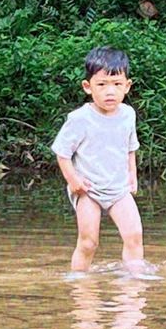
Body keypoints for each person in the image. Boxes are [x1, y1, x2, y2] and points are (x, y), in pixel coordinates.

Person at [51, 46, 143, 271]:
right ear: (88, 87)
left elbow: (130, 148)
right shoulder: (80, 119)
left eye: (117, 84)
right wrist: (74, 181)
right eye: (101, 85)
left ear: (127, 86)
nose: (109, 92)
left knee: (134, 236)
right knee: (89, 242)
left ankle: (134, 283)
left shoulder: (128, 115)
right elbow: (62, 152)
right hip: (88, 190)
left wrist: (133, 176)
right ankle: (79, 283)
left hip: (118, 188)